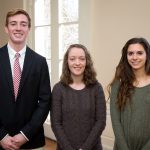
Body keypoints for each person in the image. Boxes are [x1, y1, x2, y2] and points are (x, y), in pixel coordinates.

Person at [0, 9, 51, 149]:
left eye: (23, 24)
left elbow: (45, 101)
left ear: (29, 29)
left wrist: (25, 134)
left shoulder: (40, 62)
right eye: (13, 23)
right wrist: (1, 136)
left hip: (32, 140)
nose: (18, 28)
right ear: (6, 28)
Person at [51, 44, 106, 150]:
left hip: (93, 147)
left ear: (87, 62)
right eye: (72, 59)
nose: (77, 63)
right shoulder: (58, 89)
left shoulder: (96, 88)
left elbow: (100, 122)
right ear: (67, 62)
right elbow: (56, 124)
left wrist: (84, 148)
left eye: (82, 59)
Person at [109, 37, 150, 150]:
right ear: (126, 56)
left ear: (147, 55)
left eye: (139, 53)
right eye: (130, 53)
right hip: (122, 147)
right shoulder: (119, 83)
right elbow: (115, 119)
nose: (134, 57)